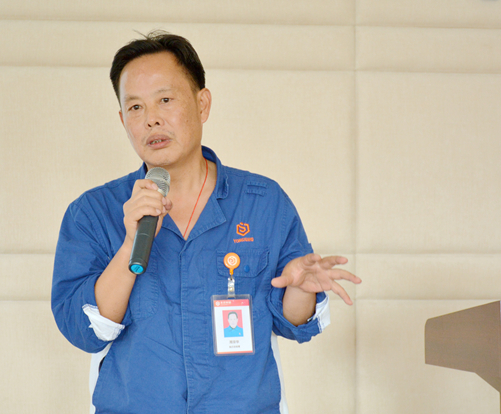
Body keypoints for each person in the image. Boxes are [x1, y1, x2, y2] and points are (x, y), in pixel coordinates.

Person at [51, 31, 361, 414]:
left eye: (165, 100)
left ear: (202, 104)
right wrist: (131, 244)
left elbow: (293, 322)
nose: (151, 119)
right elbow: (84, 331)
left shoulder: (263, 202)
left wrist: (300, 289)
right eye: (135, 107)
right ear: (122, 120)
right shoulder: (92, 212)